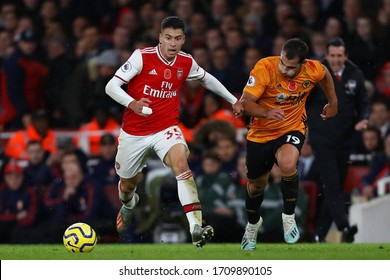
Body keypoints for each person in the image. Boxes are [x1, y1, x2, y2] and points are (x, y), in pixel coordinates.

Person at [105, 16, 243, 248]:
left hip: (166, 128)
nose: (172, 43)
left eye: (177, 39)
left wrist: (232, 100)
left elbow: (206, 79)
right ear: (160, 37)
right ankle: (128, 204)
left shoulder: (185, 62)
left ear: (183, 40)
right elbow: (111, 86)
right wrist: (133, 104)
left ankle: (195, 227)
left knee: (181, 162)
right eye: (168, 38)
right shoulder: (142, 57)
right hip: (134, 132)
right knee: (127, 186)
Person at [238, 38, 338, 250]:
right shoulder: (265, 67)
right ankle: (253, 224)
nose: (284, 69)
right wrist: (266, 112)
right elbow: (246, 102)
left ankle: (289, 216)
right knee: (256, 185)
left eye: (290, 67)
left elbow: (325, 75)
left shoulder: (312, 69)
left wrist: (333, 101)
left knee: (288, 164)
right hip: (260, 133)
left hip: (291, 127)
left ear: (303, 64)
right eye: (282, 63)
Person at [306, 37, 370, 243]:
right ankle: (345, 226)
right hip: (322, 139)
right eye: (332, 55)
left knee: (334, 187)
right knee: (332, 184)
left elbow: (364, 103)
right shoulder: (315, 73)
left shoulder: (355, 74)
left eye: (339, 55)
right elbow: (303, 101)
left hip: (345, 139)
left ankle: (319, 234)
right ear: (326, 55)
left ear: (346, 56)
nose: (335, 59)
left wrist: (363, 120)